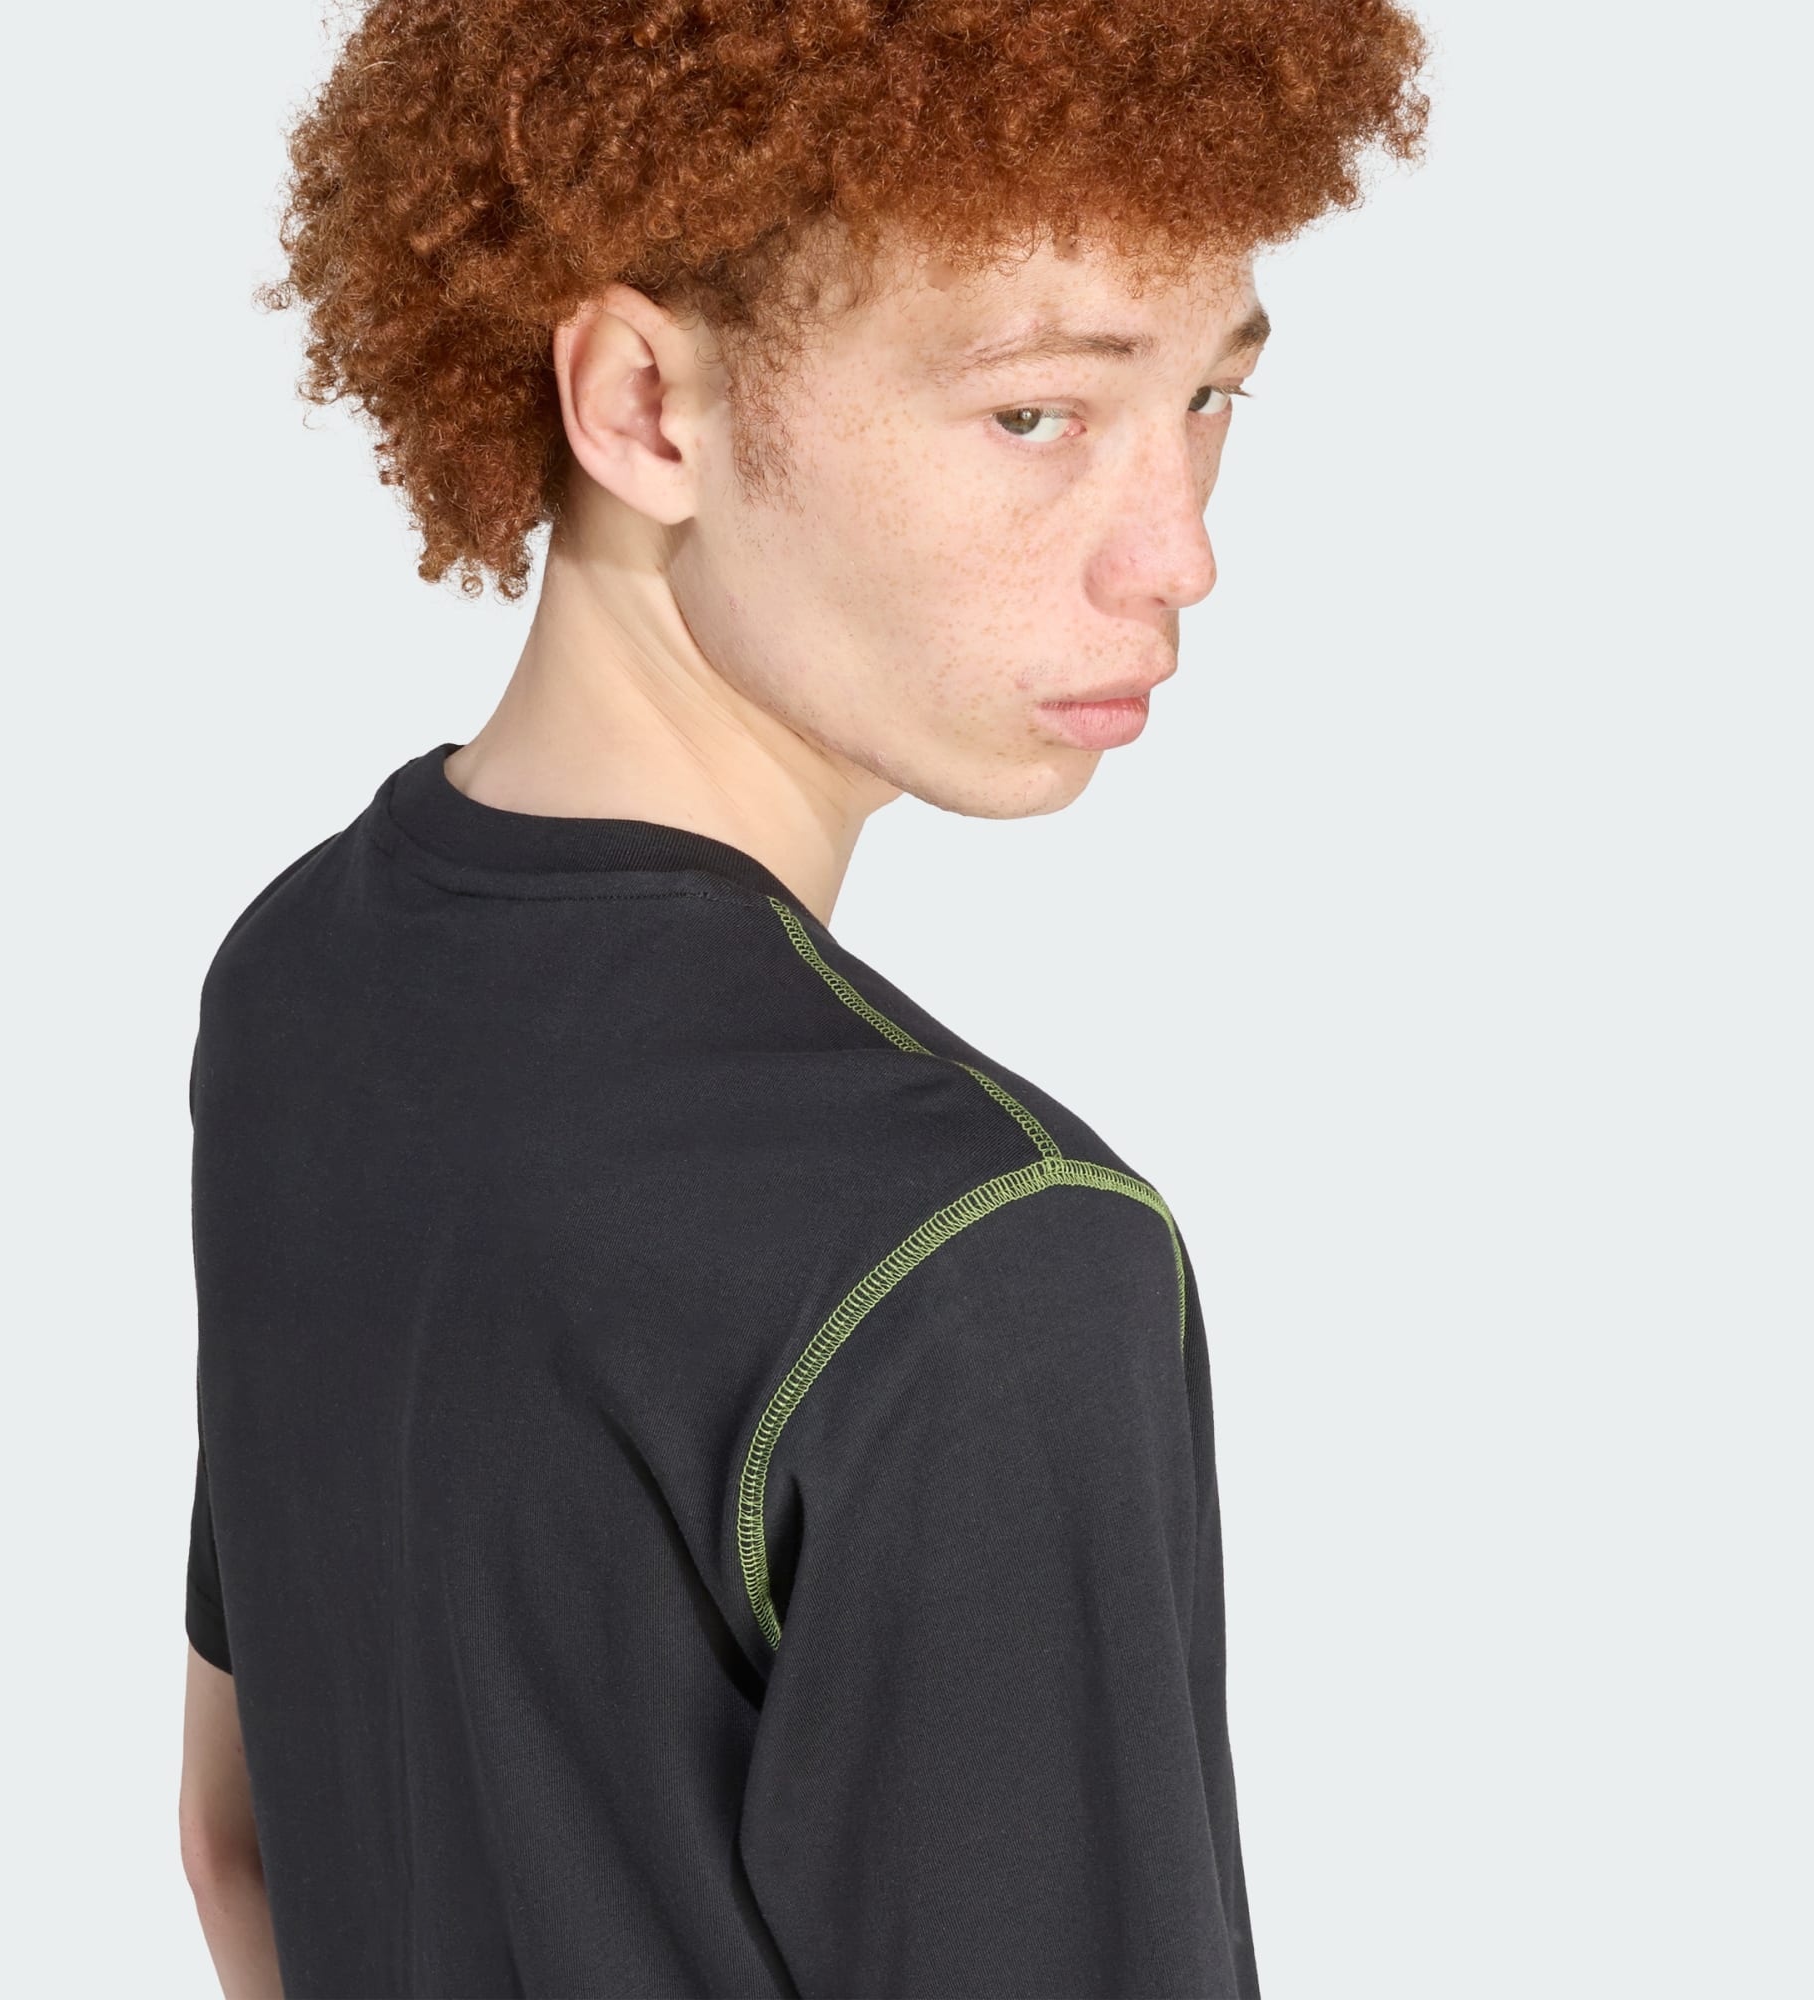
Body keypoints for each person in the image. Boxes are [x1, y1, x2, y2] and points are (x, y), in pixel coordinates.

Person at [176, 3, 1430, 1994]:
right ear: (646, 409)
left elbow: (240, 1847)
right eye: (1036, 414)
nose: (1178, 552)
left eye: (1211, 396)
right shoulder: (983, 1259)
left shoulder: (300, 975)